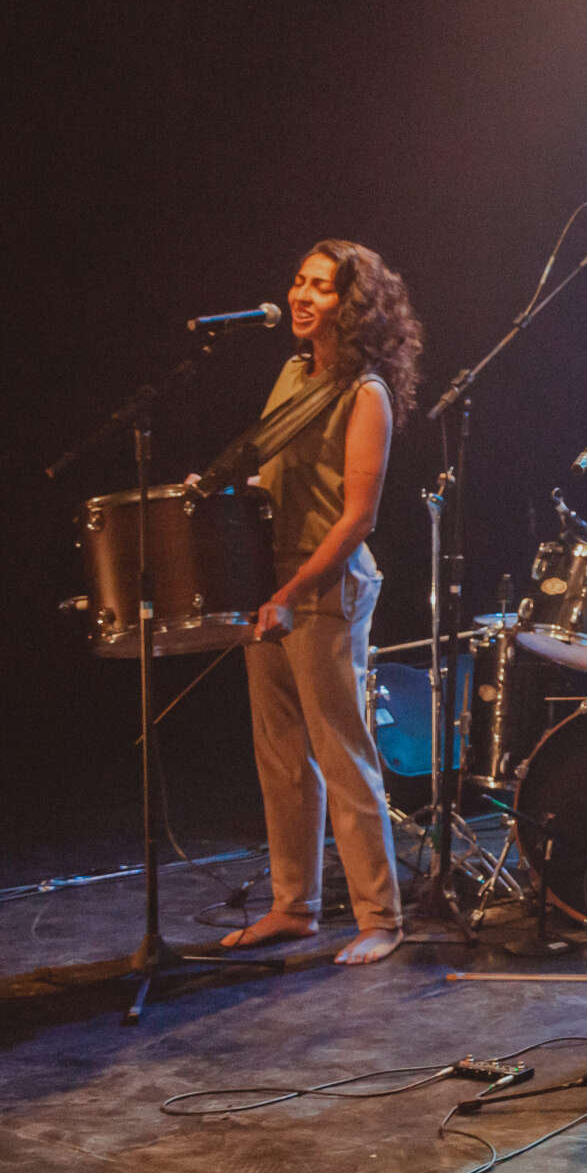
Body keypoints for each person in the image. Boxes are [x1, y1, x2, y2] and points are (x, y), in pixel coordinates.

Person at [222, 240, 422, 966]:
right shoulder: (291, 372)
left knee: (341, 749)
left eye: (321, 287)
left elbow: (356, 517)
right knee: (279, 752)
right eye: (298, 280)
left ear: (354, 303)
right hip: (269, 582)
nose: (302, 296)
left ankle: (381, 916)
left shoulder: (362, 391)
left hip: (324, 584)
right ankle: (293, 906)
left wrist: (291, 592)